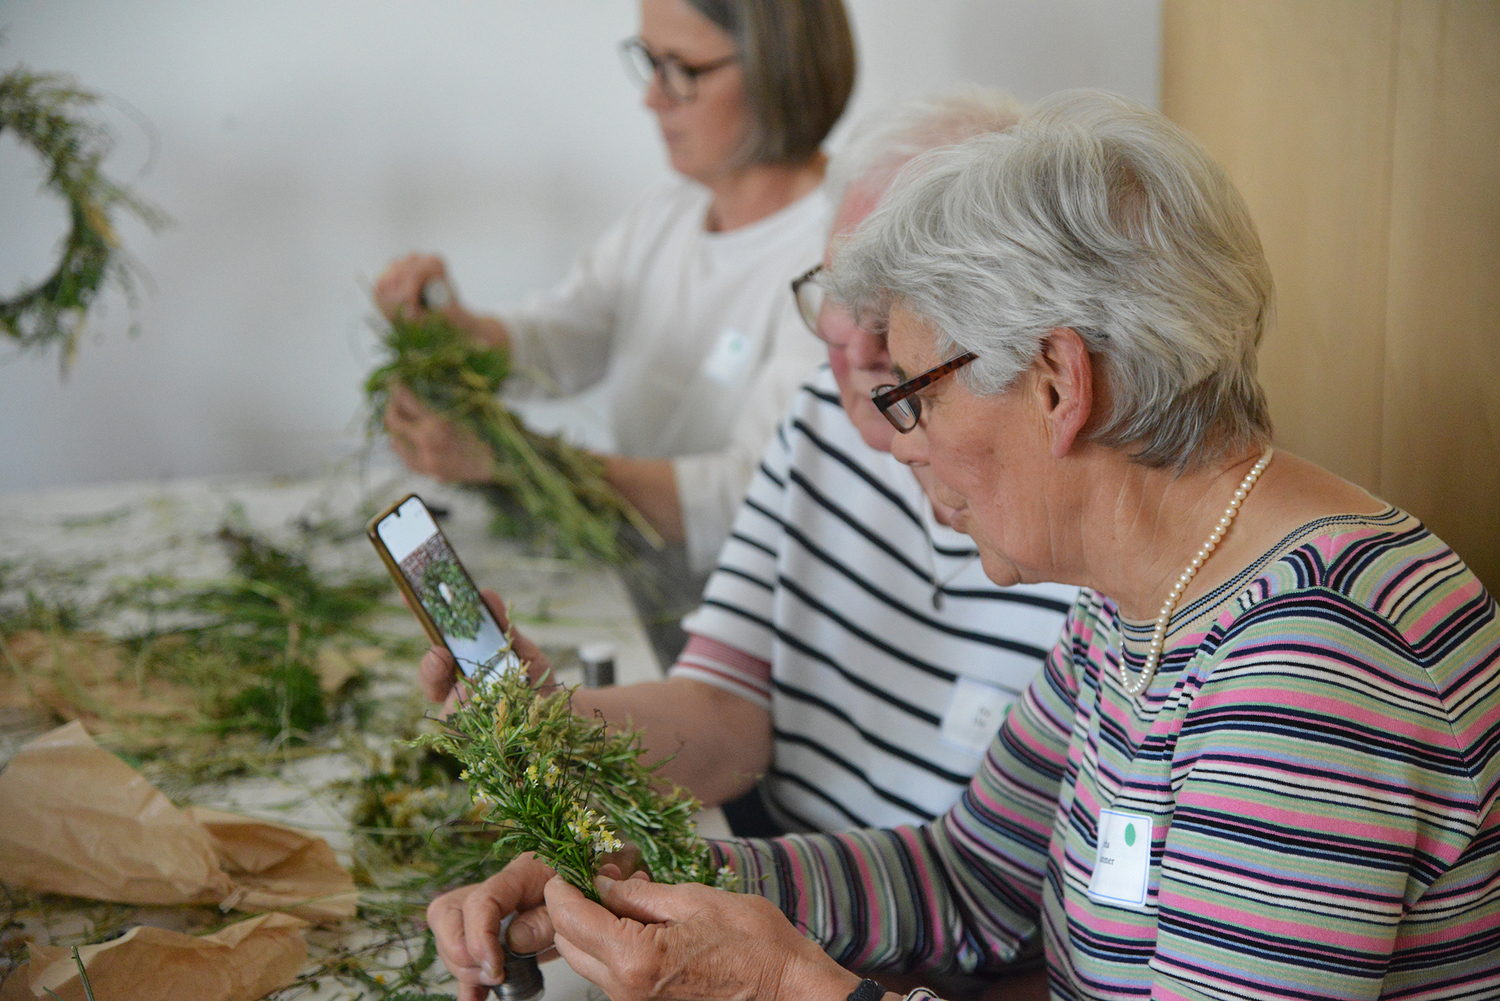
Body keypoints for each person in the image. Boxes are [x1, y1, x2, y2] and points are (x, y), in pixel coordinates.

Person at [425, 90, 1500, 1001]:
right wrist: (640, 876)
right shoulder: (1146, 594)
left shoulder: (1313, 671)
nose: (902, 447)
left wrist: (794, 984)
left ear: (1055, 383)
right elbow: (967, 874)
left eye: (914, 395)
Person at [420, 91, 1077, 842]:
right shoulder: (816, 422)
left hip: (911, 934)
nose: (853, 345)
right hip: (787, 865)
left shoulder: (1065, 524)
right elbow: (724, 715)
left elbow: (992, 895)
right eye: (838, 290)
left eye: (897, 307)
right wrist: (547, 719)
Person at [374, 0, 854, 589]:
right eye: (649, 62)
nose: (651, 98)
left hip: (745, 610)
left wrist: (512, 460)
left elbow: (748, 492)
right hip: (636, 573)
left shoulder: (835, 257)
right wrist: (452, 329)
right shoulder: (672, 210)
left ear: (780, 69)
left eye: (682, 69)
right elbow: (562, 339)